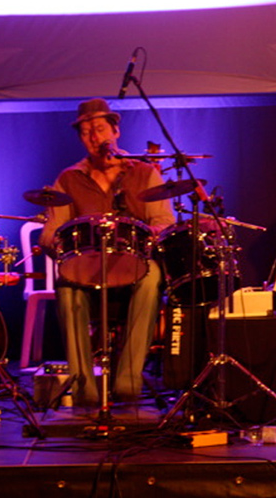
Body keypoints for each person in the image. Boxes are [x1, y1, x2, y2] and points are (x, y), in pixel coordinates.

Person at [39, 98, 175, 406]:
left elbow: (164, 221)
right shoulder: (68, 178)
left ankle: (128, 381)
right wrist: (57, 245)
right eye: (85, 132)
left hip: (134, 263)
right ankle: (84, 389)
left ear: (116, 131)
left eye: (99, 129)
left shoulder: (143, 173)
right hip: (86, 267)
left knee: (153, 276)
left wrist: (151, 234)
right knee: (66, 285)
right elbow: (50, 232)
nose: (94, 137)